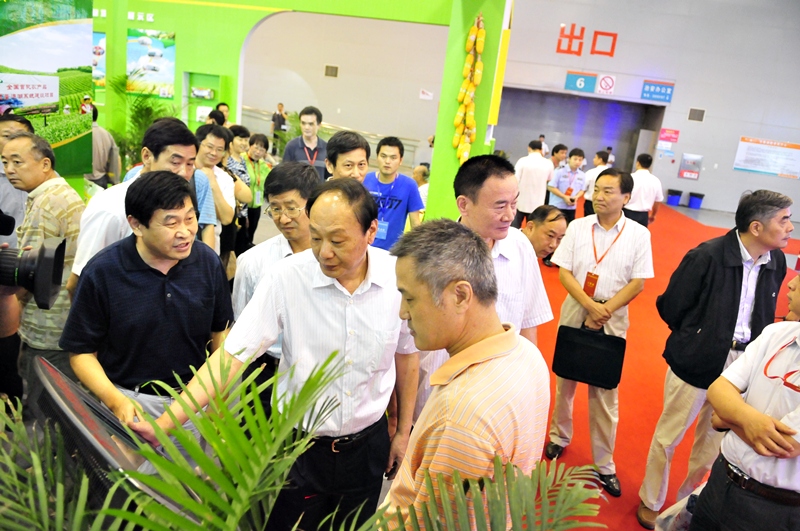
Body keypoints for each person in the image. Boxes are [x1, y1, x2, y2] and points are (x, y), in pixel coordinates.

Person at [131, 178, 419, 531]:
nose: (324, 252)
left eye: (337, 240)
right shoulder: (287, 278)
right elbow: (231, 357)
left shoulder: (396, 278)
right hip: (297, 448)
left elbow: (406, 355)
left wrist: (402, 429)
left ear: (371, 231)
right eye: (316, 237)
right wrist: (165, 423)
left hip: (366, 448)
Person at [636, 190, 792, 529]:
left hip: (744, 363)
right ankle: (651, 499)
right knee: (669, 436)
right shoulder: (706, 256)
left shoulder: (776, 262)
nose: (790, 228)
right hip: (697, 359)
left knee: (711, 444)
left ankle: (688, 501)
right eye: (783, 220)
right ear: (756, 227)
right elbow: (671, 306)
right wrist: (698, 338)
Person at [384, 219, 550, 528]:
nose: (402, 312)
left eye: (410, 298)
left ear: (460, 296)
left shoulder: (460, 415)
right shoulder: (528, 355)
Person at [61, 171, 233, 465]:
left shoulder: (206, 262)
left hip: (194, 401)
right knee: (126, 488)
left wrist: (218, 396)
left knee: (190, 488)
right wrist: (116, 401)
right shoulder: (103, 272)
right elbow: (81, 353)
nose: (185, 232)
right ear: (136, 225)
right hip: (131, 404)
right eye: (171, 223)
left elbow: (221, 334)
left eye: (190, 218)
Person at [545, 168, 654, 498]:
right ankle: (558, 437)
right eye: (597, 190)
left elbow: (638, 281)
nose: (599, 196)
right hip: (577, 307)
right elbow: (564, 272)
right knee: (565, 380)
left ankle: (605, 464)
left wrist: (604, 309)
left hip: (613, 314)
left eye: (608, 191)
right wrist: (589, 306)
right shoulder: (578, 227)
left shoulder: (638, 234)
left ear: (626, 197)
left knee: (605, 390)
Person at [688, 273, 800, 530]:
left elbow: (784, 445)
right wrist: (749, 421)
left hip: (773, 509)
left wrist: (729, 418)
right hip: (720, 480)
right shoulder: (776, 333)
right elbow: (718, 389)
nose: (791, 283)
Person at [69, 118, 218, 296]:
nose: (184, 173)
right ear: (147, 156)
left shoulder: (185, 201)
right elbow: (80, 282)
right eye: (175, 162)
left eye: (190, 164)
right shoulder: (111, 206)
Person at [2, 132, 85, 421]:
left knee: (45, 411)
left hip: (48, 326)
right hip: (59, 322)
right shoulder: (56, 194)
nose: (9, 169)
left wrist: (10, 300)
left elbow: (31, 274)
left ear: (45, 164)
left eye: (17, 162)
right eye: (5, 162)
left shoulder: (48, 203)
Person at [232, 162, 319, 416]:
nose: (283, 218)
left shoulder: (332, 260)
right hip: (263, 374)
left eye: (291, 208)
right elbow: (242, 326)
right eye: (275, 209)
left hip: (316, 376)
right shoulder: (252, 262)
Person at [455, 154, 553, 344]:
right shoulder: (434, 253)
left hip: (504, 362)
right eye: (500, 206)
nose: (509, 216)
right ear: (464, 205)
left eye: (514, 204)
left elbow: (528, 322)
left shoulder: (520, 246)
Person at [195, 124, 252, 255]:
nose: (214, 153)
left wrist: (213, 183)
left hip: (211, 249)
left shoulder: (225, 178)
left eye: (219, 149)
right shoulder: (183, 170)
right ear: (198, 144)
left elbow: (226, 218)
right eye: (209, 147)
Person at [362, 137, 424, 250]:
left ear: (401, 160)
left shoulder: (409, 185)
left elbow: (415, 223)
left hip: (392, 251)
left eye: (393, 157)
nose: (387, 161)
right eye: (383, 156)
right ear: (377, 157)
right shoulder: (364, 180)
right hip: (363, 247)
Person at [0, 115, 33, 248]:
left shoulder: (48, 176)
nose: (13, 142)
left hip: (39, 256)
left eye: (20, 136)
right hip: (5, 255)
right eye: (7, 136)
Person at [513, 139, 554, 228]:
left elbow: (515, 179)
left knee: (514, 228)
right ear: (541, 149)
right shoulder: (548, 163)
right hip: (538, 203)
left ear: (529, 148)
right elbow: (549, 179)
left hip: (521, 201)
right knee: (533, 229)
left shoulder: (522, 161)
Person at [282, 105, 327, 181]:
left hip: (320, 189)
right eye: (303, 123)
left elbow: (330, 177)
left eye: (311, 124)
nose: (306, 127)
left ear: (319, 125)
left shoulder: (326, 148)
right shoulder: (291, 146)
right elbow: (284, 175)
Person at [242, 133, 272, 244]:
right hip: (242, 206)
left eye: (262, 150)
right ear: (250, 146)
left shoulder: (263, 165)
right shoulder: (241, 160)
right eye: (256, 148)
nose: (258, 152)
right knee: (241, 236)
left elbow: (273, 178)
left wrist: (271, 160)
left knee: (250, 235)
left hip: (256, 206)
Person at [547, 147, 586, 224]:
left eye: (580, 160)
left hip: (571, 207)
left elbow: (582, 189)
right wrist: (564, 197)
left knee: (569, 227)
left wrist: (576, 197)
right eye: (575, 159)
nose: (577, 162)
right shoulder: (559, 171)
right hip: (557, 205)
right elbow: (550, 187)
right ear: (569, 159)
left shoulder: (582, 174)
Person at [625, 153, 664, 227]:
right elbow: (658, 200)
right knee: (641, 234)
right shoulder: (655, 180)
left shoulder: (629, 178)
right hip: (643, 215)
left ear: (638, 163)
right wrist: (653, 215)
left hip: (627, 213)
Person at [88, 105, 121, 189]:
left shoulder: (81, 135)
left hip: (87, 180)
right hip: (102, 180)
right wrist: (116, 181)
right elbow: (116, 158)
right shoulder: (106, 134)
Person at [582, 151, 609, 216]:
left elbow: (583, 187)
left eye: (595, 157)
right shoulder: (612, 173)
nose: (593, 159)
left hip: (591, 203)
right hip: (606, 203)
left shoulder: (591, 172)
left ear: (600, 160)